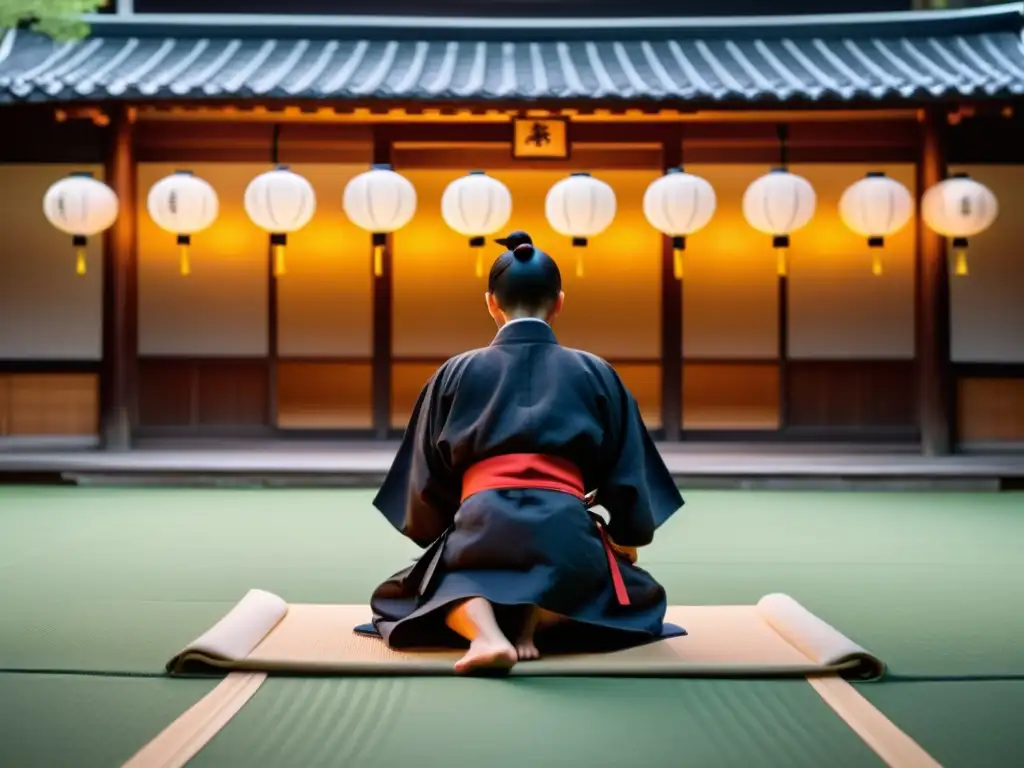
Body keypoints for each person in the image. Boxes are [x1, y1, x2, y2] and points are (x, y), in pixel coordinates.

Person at [363, 242, 685, 674]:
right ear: (560, 303)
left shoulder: (455, 372)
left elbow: (424, 483)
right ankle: (539, 613)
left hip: (481, 524)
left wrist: (445, 533)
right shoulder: (596, 372)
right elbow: (628, 475)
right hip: (566, 529)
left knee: (411, 592)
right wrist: (625, 537)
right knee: (636, 594)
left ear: (491, 304)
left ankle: (486, 632)